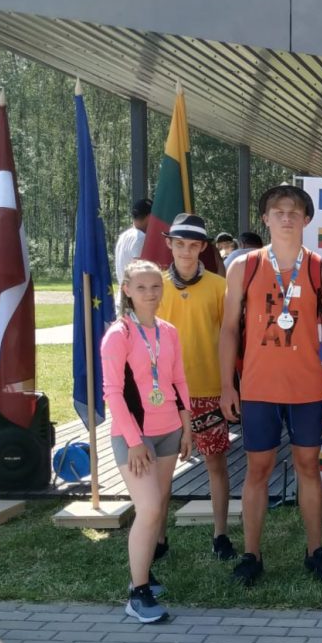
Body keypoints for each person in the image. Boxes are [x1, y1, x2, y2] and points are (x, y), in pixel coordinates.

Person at [218, 185, 322, 587]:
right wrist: (227, 385)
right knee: (258, 469)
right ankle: (251, 554)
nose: (286, 217)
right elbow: (228, 329)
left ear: (306, 220)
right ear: (266, 219)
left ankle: (315, 551)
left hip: (307, 389)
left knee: (309, 467)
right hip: (258, 388)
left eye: (294, 211)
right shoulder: (244, 267)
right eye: (278, 211)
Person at [102, 259, 192, 623]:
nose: (150, 293)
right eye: (141, 287)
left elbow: (179, 381)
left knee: (160, 504)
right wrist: (134, 441)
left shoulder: (168, 331)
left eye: (155, 286)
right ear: (127, 290)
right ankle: (137, 594)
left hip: (169, 430)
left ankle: (146, 573)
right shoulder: (118, 334)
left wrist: (187, 426)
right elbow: (112, 392)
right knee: (150, 508)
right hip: (135, 436)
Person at [157, 213, 236, 562]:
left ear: (203, 247)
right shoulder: (156, 287)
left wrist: (228, 385)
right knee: (162, 470)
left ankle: (220, 534)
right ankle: (158, 537)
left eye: (192, 245)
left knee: (215, 462)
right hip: (166, 396)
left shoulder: (220, 286)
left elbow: (230, 337)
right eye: (180, 244)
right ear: (169, 245)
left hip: (208, 390)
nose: (186, 252)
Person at [114, 198, 152, 286]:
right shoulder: (140, 237)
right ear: (150, 217)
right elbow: (138, 270)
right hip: (133, 292)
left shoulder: (123, 236)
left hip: (124, 290)